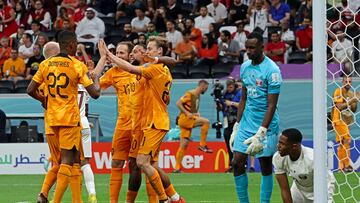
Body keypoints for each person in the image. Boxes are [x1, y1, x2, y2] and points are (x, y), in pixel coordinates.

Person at [105, 36, 185, 203]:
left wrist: (109, 55)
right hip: (143, 123)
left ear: (159, 52)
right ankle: (175, 198)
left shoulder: (155, 69)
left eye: (149, 48)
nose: (146, 51)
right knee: (151, 165)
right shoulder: (160, 70)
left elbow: (132, 69)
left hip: (154, 122)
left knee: (142, 163)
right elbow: (167, 98)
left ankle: (164, 199)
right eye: (145, 48)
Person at [27, 30, 101, 203]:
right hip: (69, 119)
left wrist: (43, 100)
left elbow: (30, 89)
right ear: (71, 45)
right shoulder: (76, 65)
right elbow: (95, 93)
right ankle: (53, 200)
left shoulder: (45, 65)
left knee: (73, 161)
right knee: (68, 161)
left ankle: (76, 200)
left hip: (51, 120)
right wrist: (95, 78)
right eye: (75, 44)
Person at [230, 32, 282, 203]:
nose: (249, 51)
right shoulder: (245, 67)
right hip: (246, 123)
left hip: (266, 125)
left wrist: (262, 131)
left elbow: (271, 105)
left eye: (252, 47)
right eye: (247, 47)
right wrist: (237, 126)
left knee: (265, 165)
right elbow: (244, 98)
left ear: (262, 47)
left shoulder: (272, 71)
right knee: (237, 162)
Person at [273, 128, 335, 203]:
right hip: (299, 190)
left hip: (319, 190)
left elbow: (327, 182)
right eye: (279, 142)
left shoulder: (313, 158)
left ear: (294, 146)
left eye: (282, 144)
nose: (278, 146)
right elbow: (284, 189)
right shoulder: (278, 158)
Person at [173, 80, 211, 172]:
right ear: (202, 86)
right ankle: (202, 145)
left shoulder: (197, 95)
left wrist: (195, 113)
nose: (206, 90)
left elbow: (190, 108)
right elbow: (178, 103)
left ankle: (176, 168)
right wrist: (187, 113)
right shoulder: (190, 93)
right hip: (185, 119)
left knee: (184, 145)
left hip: (188, 120)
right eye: (206, 88)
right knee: (206, 122)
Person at [332, 76, 357, 172]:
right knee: (347, 140)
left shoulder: (351, 93)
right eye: (346, 81)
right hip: (338, 120)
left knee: (342, 143)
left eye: (350, 81)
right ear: (342, 82)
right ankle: (346, 165)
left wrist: (355, 101)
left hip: (347, 121)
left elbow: (354, 110)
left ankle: (340, 167)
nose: (348, 83)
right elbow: (338, 107)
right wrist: (352, 100)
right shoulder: (338, 91)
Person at [220, 79, 241, 173]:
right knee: (228, 141)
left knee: (237, 142)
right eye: (227, 87)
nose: (229, 89)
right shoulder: (224, 94)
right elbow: (222, 107)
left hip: (237, 120)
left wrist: (231, 103)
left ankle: (241, 163)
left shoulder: (239, 93)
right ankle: (231, 164)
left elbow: (242, 105)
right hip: (227, 120)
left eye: (231, 87)